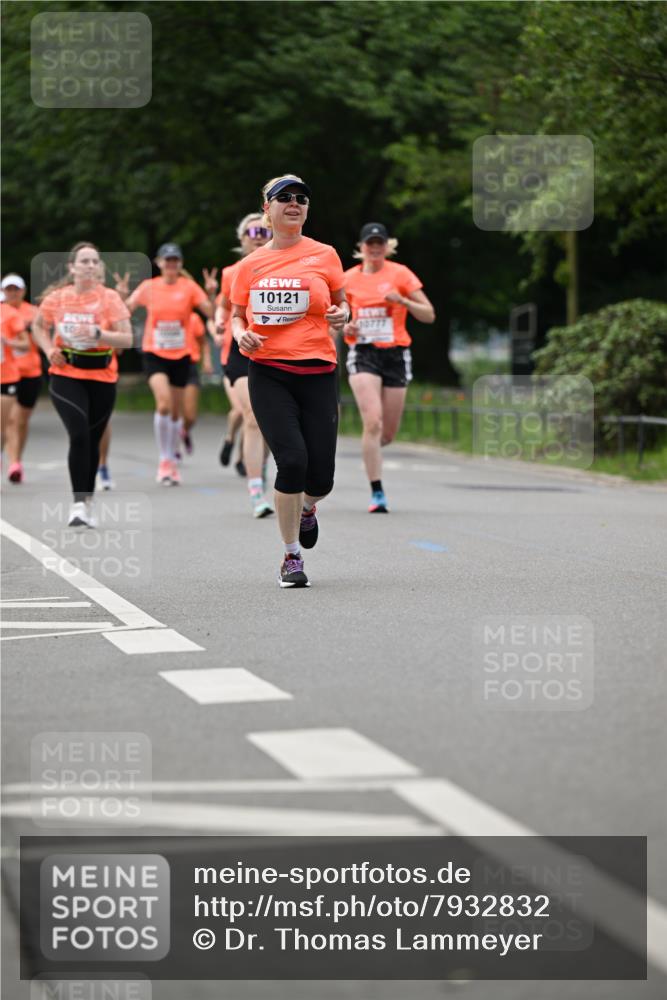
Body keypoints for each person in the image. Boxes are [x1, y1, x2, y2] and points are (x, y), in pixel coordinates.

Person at [231, 174, 348, 587]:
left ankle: (307, 508)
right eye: (284, 198)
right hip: (270, 372)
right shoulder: (250, 265)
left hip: (318, 371)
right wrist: (239, 334)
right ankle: (291, 556)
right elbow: (236, 314)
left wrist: (342, 314)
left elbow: (340, 301)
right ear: (268, 208)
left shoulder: (326, 255)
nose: (294, 203)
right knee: (292, 461)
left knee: (321, 480)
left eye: (301, 198)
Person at [32, 242, 132, 527]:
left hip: (102, 376)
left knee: (91, 439)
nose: (90, 265)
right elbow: (39, 325)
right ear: (72, 267)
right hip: (66, 373)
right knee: (78, 433)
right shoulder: (58, 298)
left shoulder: (110, 298)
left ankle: (87, 501)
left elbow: (127, 340)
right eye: (84, 261)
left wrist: (99, 333)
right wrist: (48, 348)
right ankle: (77, 504)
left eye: (94, 261)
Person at [343, 223, 435, 512]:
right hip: (363, 353)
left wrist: (403, 300)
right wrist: (348, 324)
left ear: (387, 246)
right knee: (373, 422)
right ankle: (377, 492)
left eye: (379, 242)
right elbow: (332, 317)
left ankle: (371, 453)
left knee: (388, 434)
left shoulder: (400, 274)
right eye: (369, 243)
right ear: (361, 247)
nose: (374, 247)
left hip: (395, 354)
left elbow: (429, 315)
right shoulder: (346, 280)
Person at [115, 244, 215, 485]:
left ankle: (171, 458)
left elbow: (211, 313)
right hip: (154, 353)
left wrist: (211, 293)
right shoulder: (148, 287)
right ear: (159, 263)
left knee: (177, 413)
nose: (171, 265)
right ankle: (164, 459)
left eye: (175, 261)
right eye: (167, 260)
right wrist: (120, 295)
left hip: (181, 355)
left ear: (180, 264)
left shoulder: (189, 287)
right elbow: (123, 311)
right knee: (164, 404)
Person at [218, 213, 273, 517]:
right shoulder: (232, 272)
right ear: (241, 239)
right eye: (251, 231)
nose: (258, 235)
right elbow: (224, 307)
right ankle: (256, 492)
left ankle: (260, 469)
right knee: (251, 415)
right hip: (241, 351)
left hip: (274, 350)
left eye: (263, 229)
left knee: (265, 420)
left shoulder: (283, 265)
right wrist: (217, 324)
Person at [1, 274, 40, 483]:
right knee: (11, 420)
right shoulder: (3, 313)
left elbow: (39, 340)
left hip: (31, 371)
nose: (13, 293)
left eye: (16, 289)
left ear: (23, 291)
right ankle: (13, 463)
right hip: (9, 373)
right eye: (9, 290)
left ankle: (18, 459)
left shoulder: (32, 313)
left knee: (22, 421)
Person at [1, 301, 30, 464]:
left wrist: (8, 342)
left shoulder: (9, 313)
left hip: (6, 377)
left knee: (4, 424)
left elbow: (25, 344)